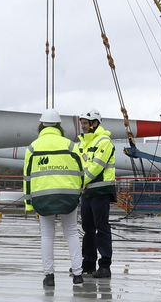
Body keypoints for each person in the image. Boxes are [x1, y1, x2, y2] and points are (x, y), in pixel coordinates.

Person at [24, 110, 85, 288]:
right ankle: (78, 274)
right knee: (72, 233)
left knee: (47, 235)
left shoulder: (32, 148)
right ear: (60, 126)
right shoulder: (71, 146)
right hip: (68, 196)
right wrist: (78, 194)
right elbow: (81, 173)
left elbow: (27, 178)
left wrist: (29, 203)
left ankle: (49, 276)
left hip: (42, 197)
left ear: (41, 126)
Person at [76, 109, 116, 279]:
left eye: (85, 123)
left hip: (100, 190)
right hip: (87, 191)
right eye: (82, 123)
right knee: (88, 228)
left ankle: (105, 265)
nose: (83, 126)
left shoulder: (104, 141)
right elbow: (78, 165)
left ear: (95, 123)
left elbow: (96, 167)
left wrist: (80, 183)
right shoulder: (81, 143)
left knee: (101, 227)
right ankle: (88, 263)